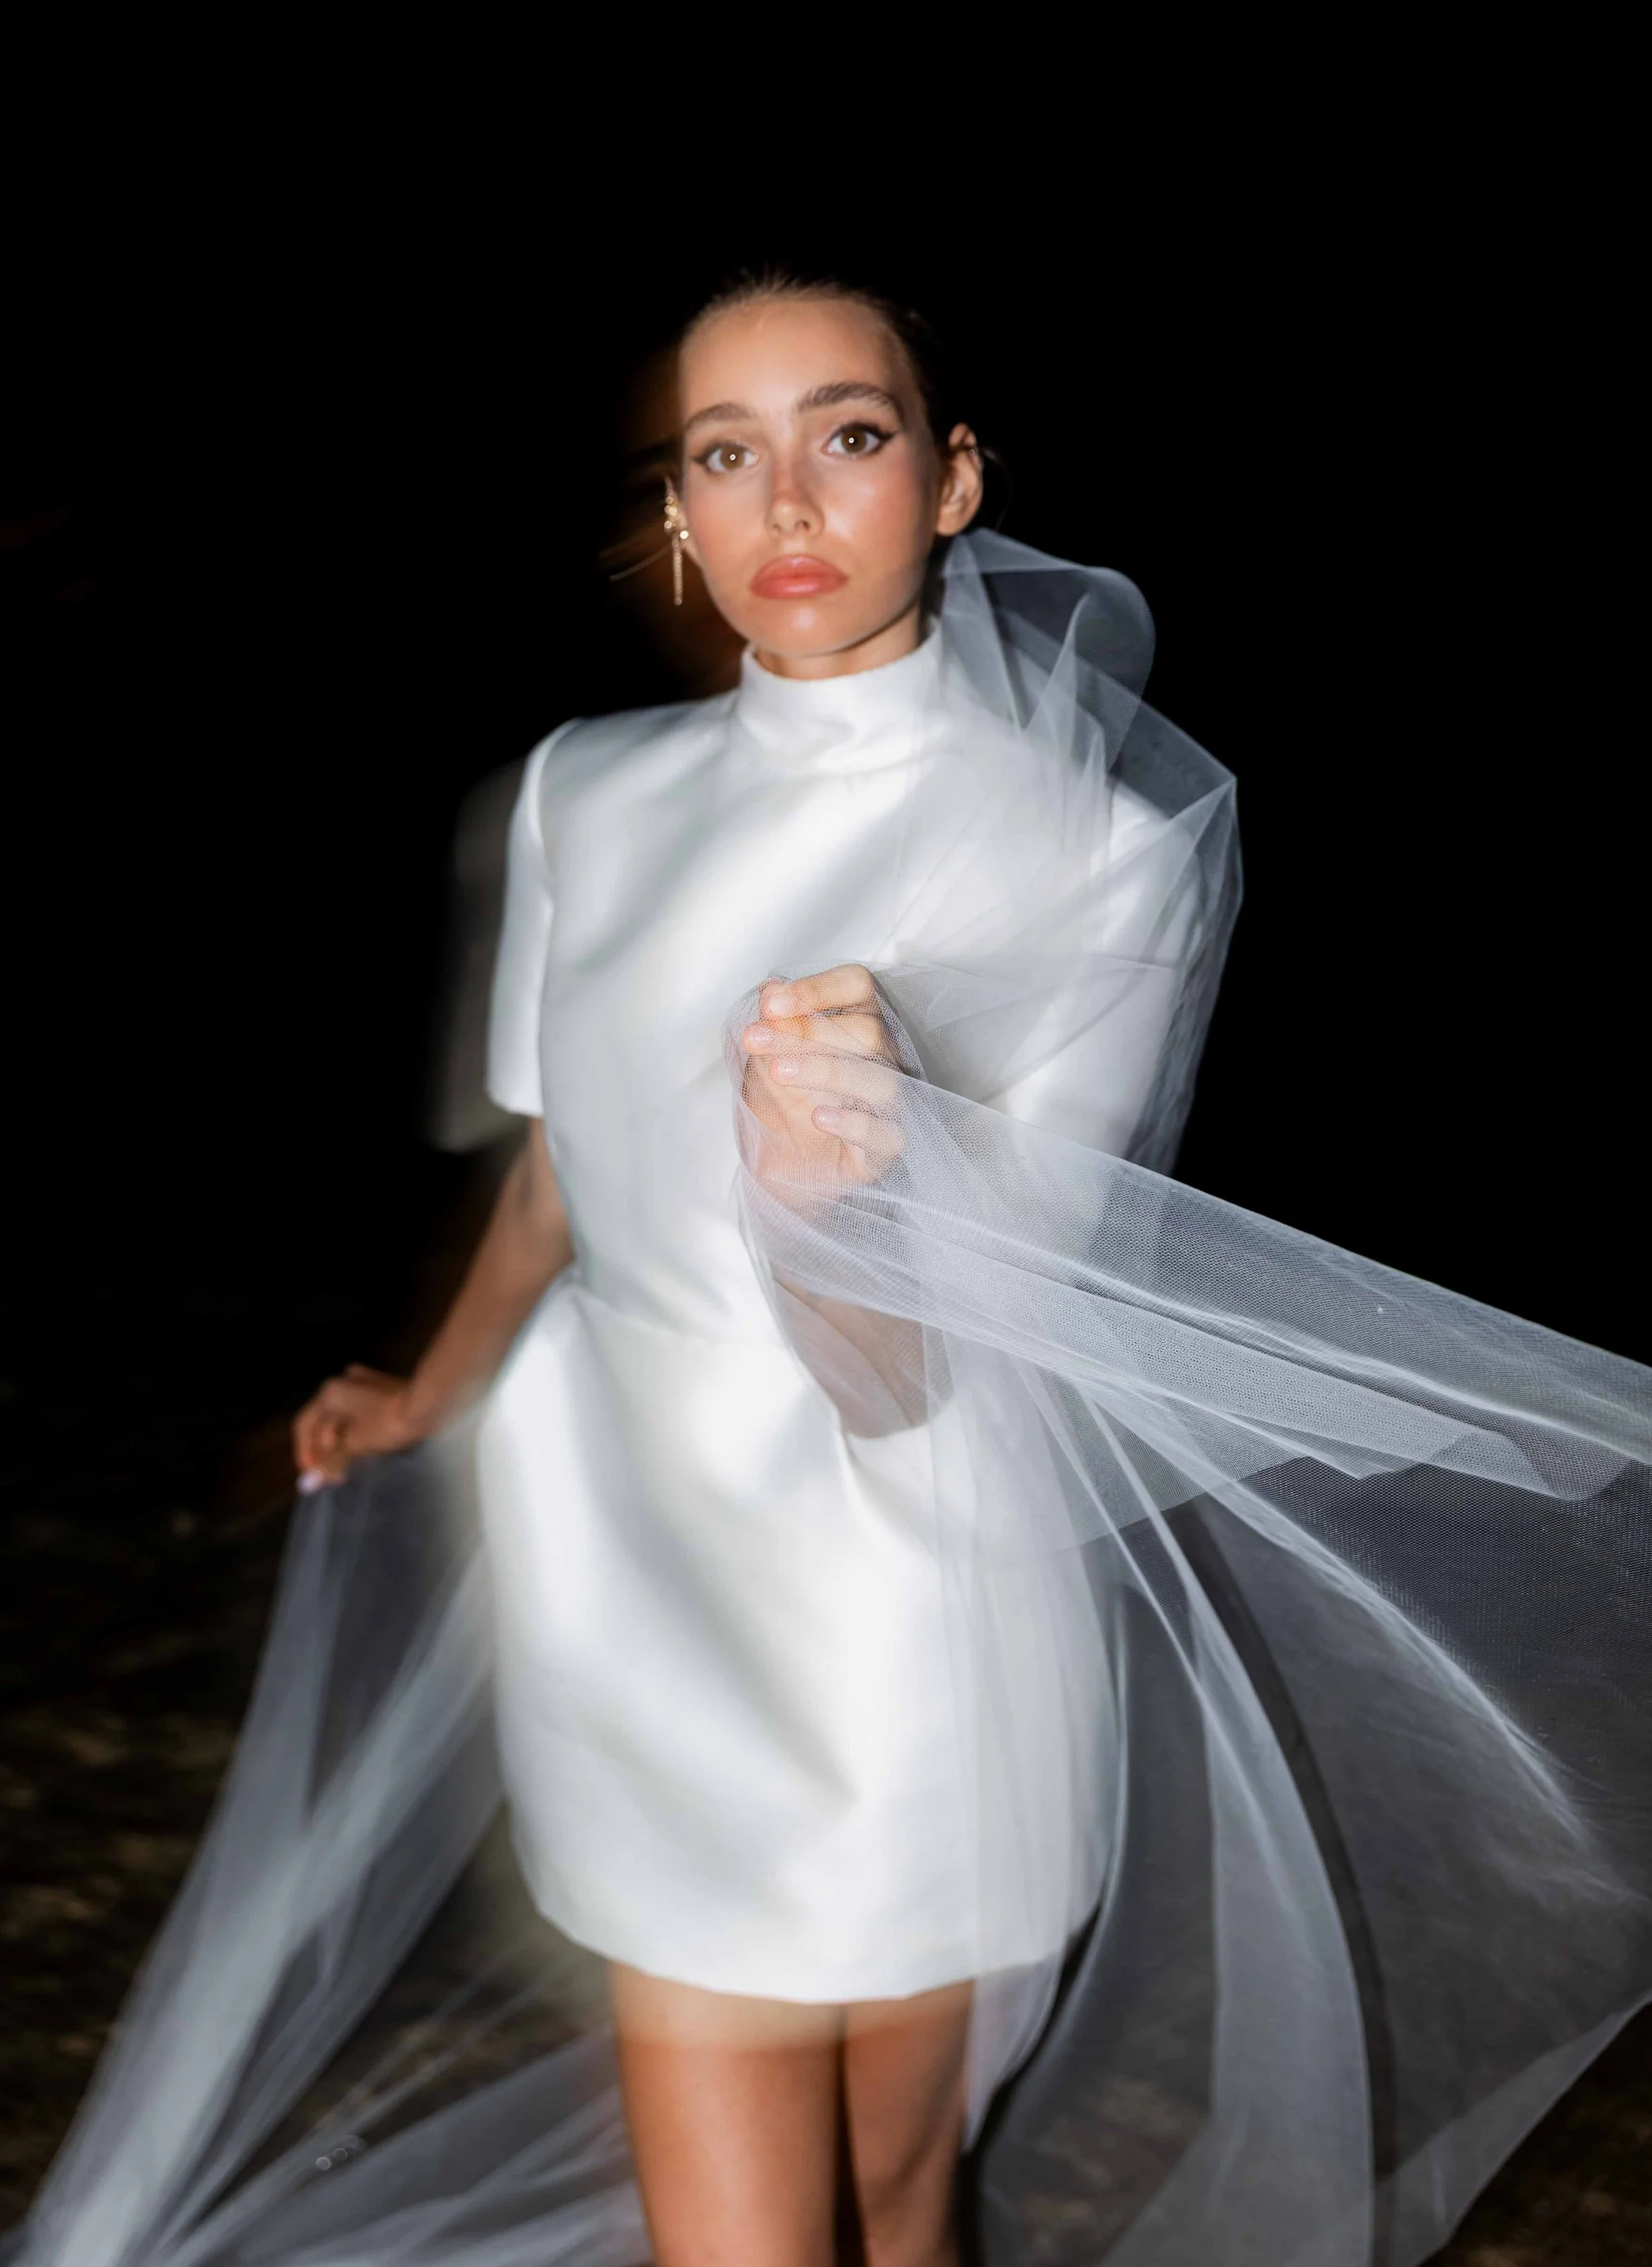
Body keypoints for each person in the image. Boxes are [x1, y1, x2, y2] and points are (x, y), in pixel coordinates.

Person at [19, 276, 1649, 2267]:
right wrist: (431, 1381)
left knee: (894, 2198)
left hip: (902, 1607)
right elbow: (562, 1160)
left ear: (956, 480)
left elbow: (911, 1375)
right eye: (726, 451)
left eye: (850, 433)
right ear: (683, 521)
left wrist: (837, 1198)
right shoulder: (583, 794)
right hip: (626, 1568)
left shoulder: (1084, 853)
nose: (787, 495)